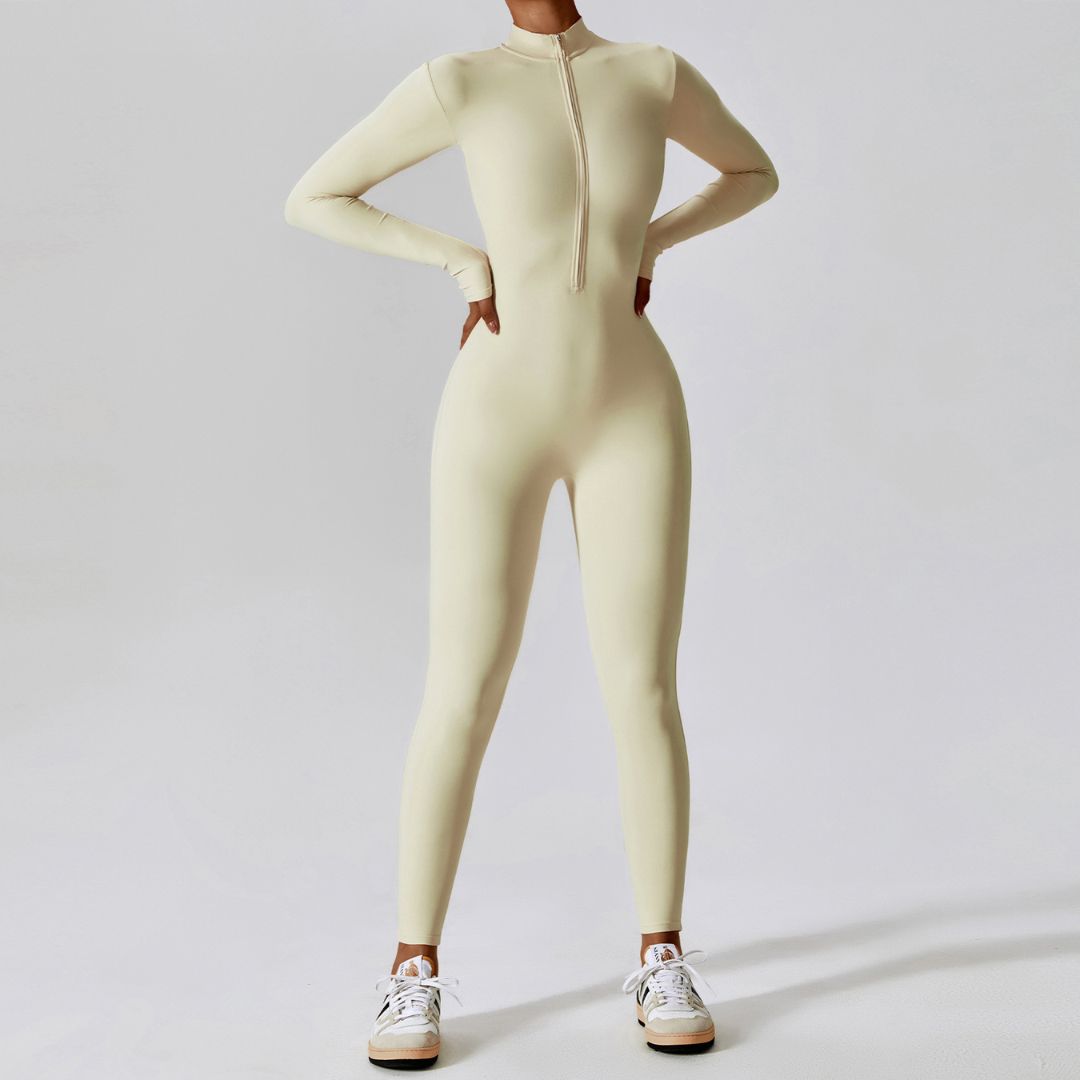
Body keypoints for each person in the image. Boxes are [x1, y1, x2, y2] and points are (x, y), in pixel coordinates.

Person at [284, 0, 778, 1067]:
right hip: (495, 412)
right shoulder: (459, 81)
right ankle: (411, 969)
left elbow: (754, 173)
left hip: (632, 408)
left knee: (643, 686)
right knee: (462, 688)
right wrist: (462, 264)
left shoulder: (651, 71)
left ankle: (662, 952)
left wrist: (653, 240)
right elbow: (315, 195)